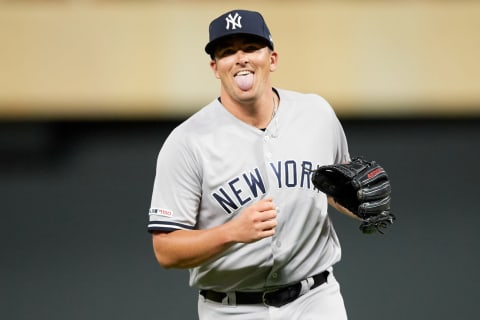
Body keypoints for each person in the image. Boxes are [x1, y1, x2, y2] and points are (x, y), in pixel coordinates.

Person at [148, 9, 357, 320]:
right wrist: (231, 232)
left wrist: (360, 203)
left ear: (271, 58)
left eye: (250, 47)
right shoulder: (187, 142)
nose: (240, 58)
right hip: (231, 309)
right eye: (228, 51)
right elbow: (165, 249)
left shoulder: (316, 114)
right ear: (215, 67)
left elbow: (336, 188)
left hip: (315, 300)